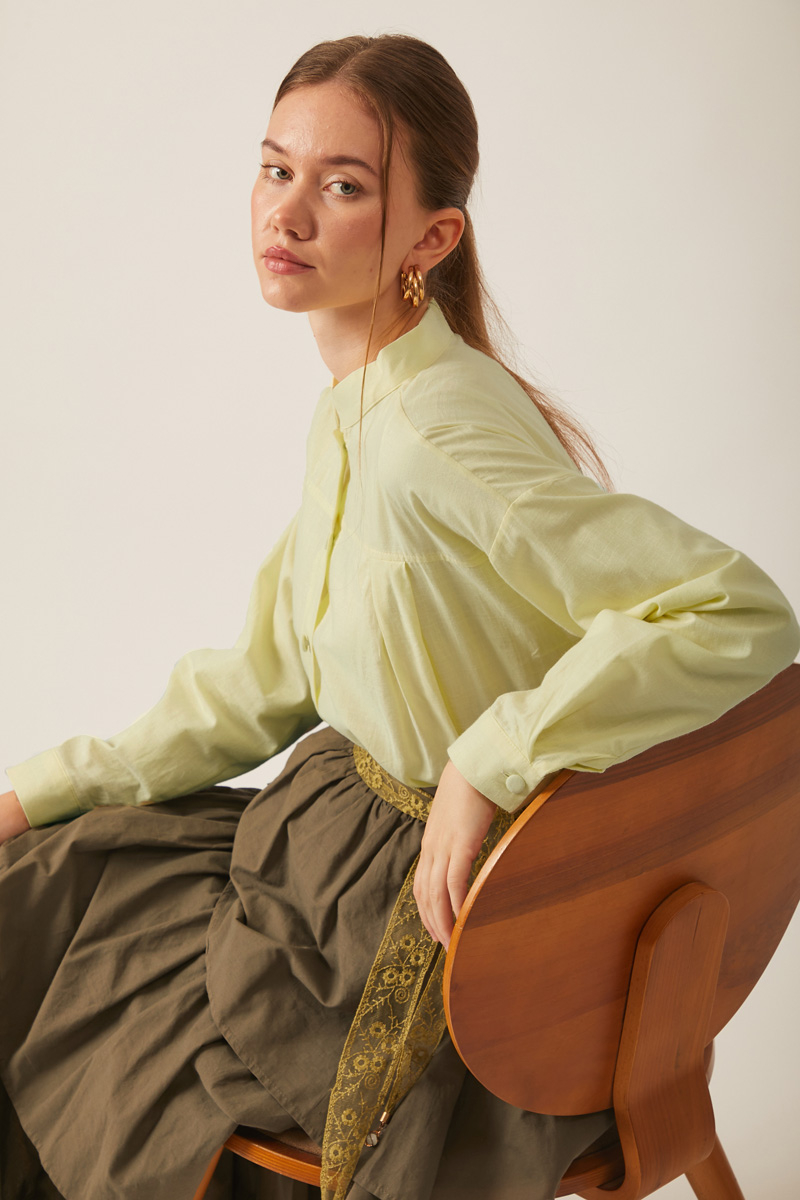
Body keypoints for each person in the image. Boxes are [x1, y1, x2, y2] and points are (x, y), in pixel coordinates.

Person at [1, 31, 797, 1200]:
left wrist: (489, 757)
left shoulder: (434, 430)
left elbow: (735, 609)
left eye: (343, 186)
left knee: (94, 998)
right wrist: (40, 789)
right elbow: (266, 678)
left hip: (443, 907)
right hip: (329, 850)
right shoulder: (360, 406)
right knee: (51, 878)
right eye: (275, 169)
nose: (287, 213)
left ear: (431, 237)